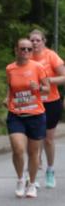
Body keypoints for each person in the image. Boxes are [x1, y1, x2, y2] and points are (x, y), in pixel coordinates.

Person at [4, 38, 48, 198]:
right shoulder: (10, 68)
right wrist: (7, 97)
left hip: (36, 115)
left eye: (29, 49)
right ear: (16, 50)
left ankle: (32, 183)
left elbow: (47, 89)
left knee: (33, 152)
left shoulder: (38, 67)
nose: (26, 52)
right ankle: (20, 179)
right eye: (23, 49)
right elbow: (10, 87)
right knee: (18, 149)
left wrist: (39, 87)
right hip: (16, 114)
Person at [28, 28, 65, 188]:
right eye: (32, 40)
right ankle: (34, 174)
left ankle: (50, 170)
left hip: (51, 102)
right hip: (32, 102)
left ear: (44, 42)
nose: (34, 43)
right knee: (34, 139)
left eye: (38, 40)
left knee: (48, 139)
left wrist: (47, 81)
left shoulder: (51, 56)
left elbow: (64, 77)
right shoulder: (26, 57)